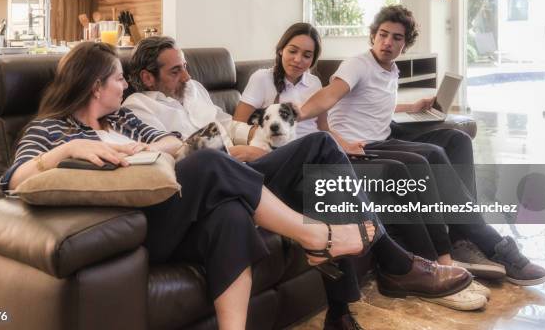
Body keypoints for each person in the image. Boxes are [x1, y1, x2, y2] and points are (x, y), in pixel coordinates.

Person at [0, 42, 385, 330]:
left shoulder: (123, 122)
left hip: (174, 210)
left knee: (230, 214)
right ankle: (317, 236)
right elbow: (17, 178)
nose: (124, 86)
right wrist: (69, 148)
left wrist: (148, 148)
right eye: (118, 78)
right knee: (209, 162)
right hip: (135, 227)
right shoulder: (50, 128)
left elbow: (171, 143)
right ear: (94, 85)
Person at [123, 37, 474, 329]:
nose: (186, 74)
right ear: (148, 78)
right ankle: (394, 263)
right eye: (175, 70)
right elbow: (178, 155)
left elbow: (229, 123)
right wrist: (236, 153)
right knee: (320, 147)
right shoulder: (138, 107)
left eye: (185, 65)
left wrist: (257, 141)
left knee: (320, 178)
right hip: (215, 182)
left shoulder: (195, 89)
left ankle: (339, 313)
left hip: (245, 164)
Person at [233, 22, 490, 311]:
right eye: (292, 51)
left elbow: (324, 129)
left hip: (318, 156)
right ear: (281, 49)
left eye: (307, 55)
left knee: (395, 170)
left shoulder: (315, 84)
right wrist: (256, 151)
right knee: (390, 170)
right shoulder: (261, 79)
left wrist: (342, 145)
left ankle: (432, 264)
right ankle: (424, 268)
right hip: (283, 160)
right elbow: (239, 126)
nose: (298, 60)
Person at [297, 5, 545, 287]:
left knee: (457, 140)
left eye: (396, 38)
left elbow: (377, 104)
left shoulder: (391, 69)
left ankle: (461, 236)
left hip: (384, 135)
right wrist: (296, 114)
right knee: (433, 155)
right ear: (373, 36)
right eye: (382, 35)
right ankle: (487, 240)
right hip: (361, 146)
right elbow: (329, 96)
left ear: (405, 44)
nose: (388, 42)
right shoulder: (356, 64)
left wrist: (412, 106)